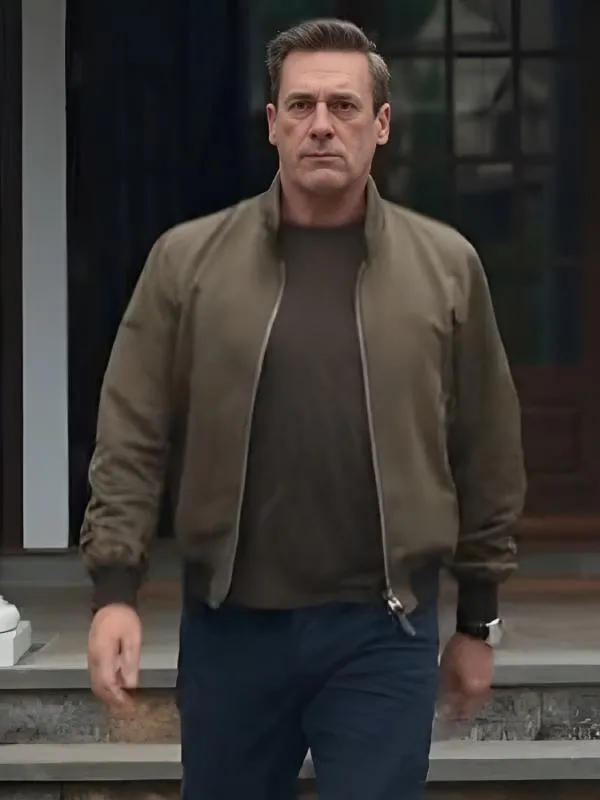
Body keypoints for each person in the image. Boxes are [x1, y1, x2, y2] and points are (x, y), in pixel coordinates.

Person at [82, 17, 526, 800]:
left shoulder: (446, 268)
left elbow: (486, 444)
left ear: (381, 124)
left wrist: (477, 620)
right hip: (231, 631)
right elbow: (132, 432)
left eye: (344, 106)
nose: (322, 125)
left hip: (382, 631)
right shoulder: (188, 263)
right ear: (272, 123)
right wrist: (116, 590)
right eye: (301, 105)